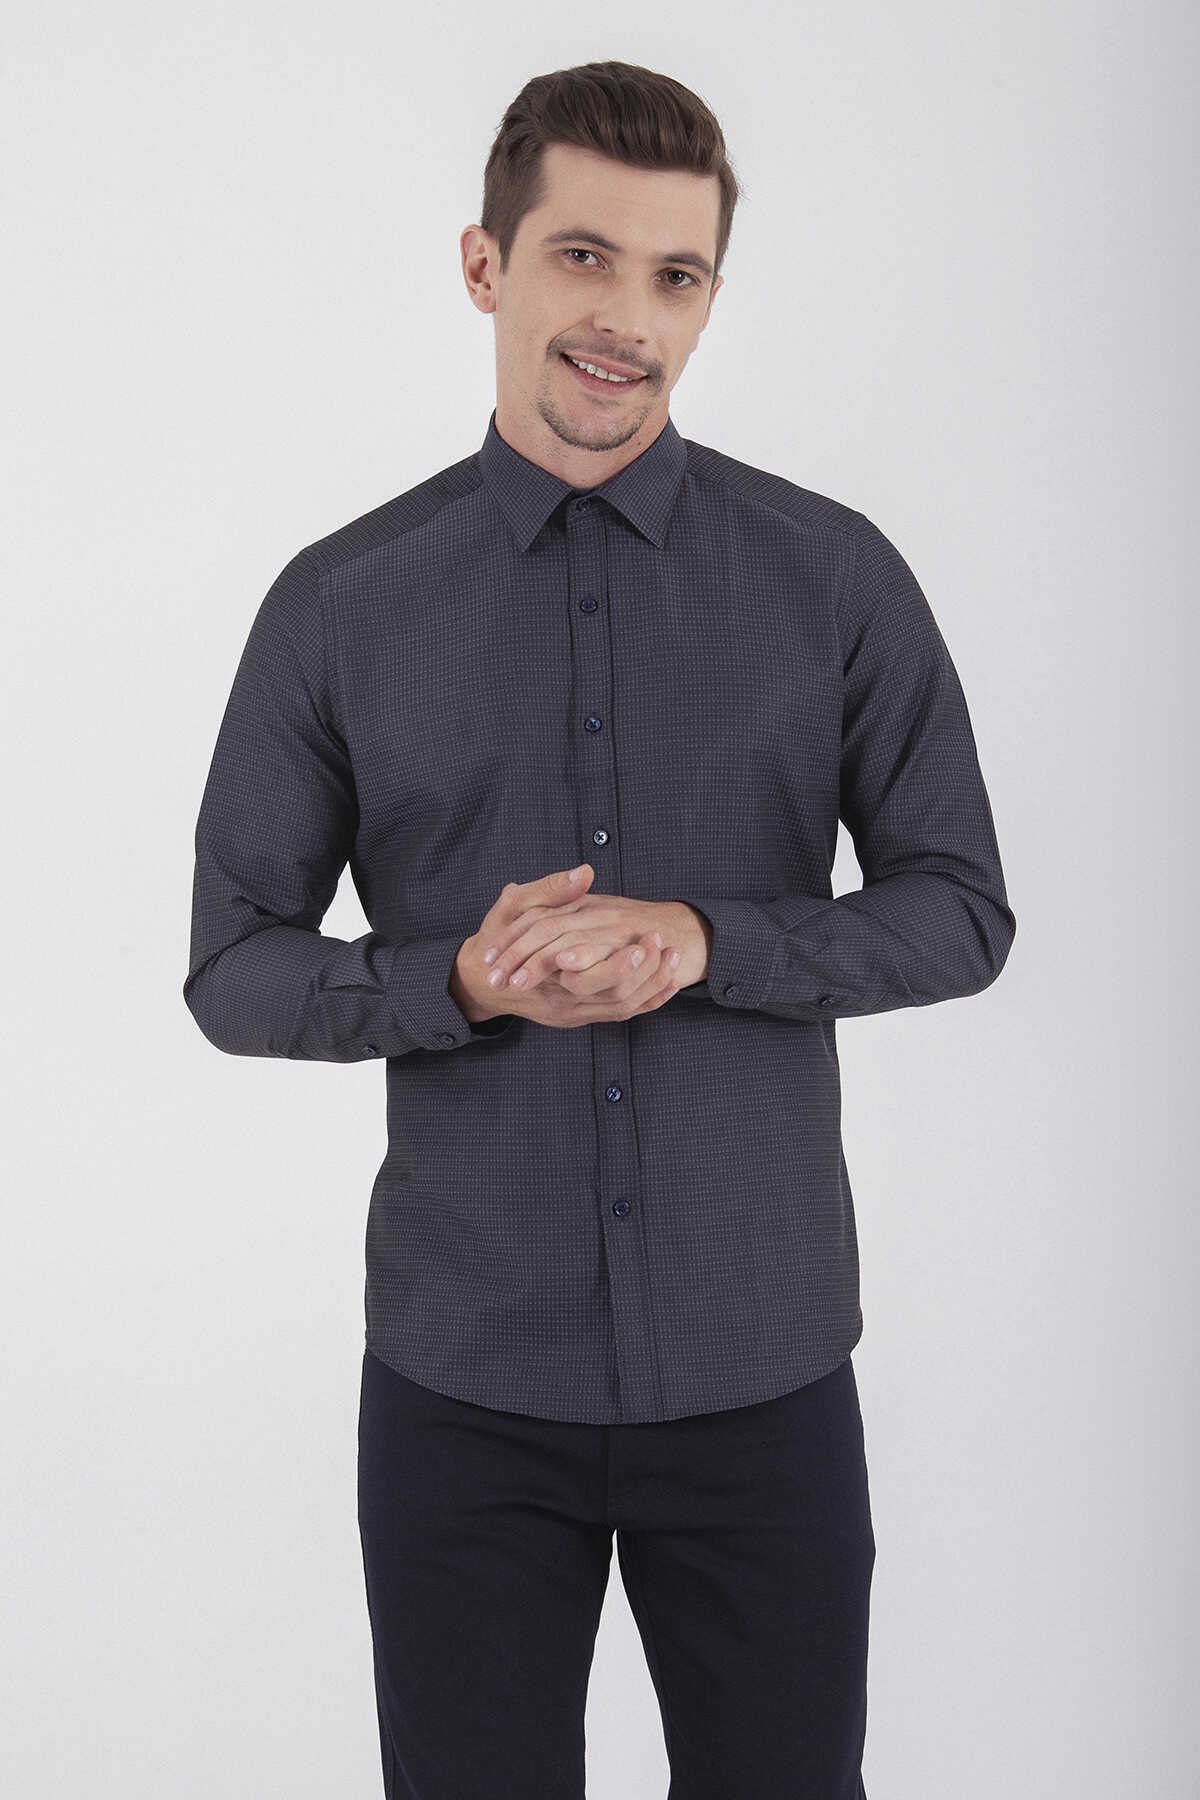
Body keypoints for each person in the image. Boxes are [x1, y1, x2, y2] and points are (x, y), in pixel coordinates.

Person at [183, 57, 1016, 1800]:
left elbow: (959, 910)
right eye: (583, 257)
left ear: (709, 298)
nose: (627, 319)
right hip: (465, 1385)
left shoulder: (834, 578)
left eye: (675, 275)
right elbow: (235, 963)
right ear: (484, 263)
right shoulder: (341, 606)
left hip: (763, 1365)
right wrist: (454, 982)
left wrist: (716, 941)